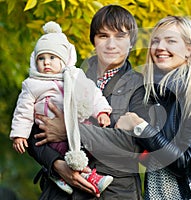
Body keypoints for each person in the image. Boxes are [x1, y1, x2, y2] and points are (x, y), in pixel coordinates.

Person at [27, 5, 149, 200]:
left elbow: (132, 144)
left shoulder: (141, 87)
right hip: (59, 190)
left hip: (113, 192)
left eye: (119, 36)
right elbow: (33, 129)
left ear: (131, 42)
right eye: (103, 36)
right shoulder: (68, 74)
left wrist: (68, 130)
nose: (111, 44)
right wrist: (57, 163)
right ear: (93, 40)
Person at [115, 16, 191, 199]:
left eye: (170, 41)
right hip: (158, 193)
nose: (160, 47)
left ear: (188, 48)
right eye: (155, 41)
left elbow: (187, 162)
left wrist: (140, 127)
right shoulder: (151, 91)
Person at [10, 21, 113, 196]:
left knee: (84, 149)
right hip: (49, 134)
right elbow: (23, 111)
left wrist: (102, 111)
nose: (46, 63)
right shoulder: (33, 84)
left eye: (52, 58)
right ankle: (70, 176)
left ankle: (87, 176)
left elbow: (93, 95)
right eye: (41, 59)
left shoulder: (75, 77)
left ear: (64, 60)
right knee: (63, 152)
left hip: (78, 128)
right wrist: (19, 134)